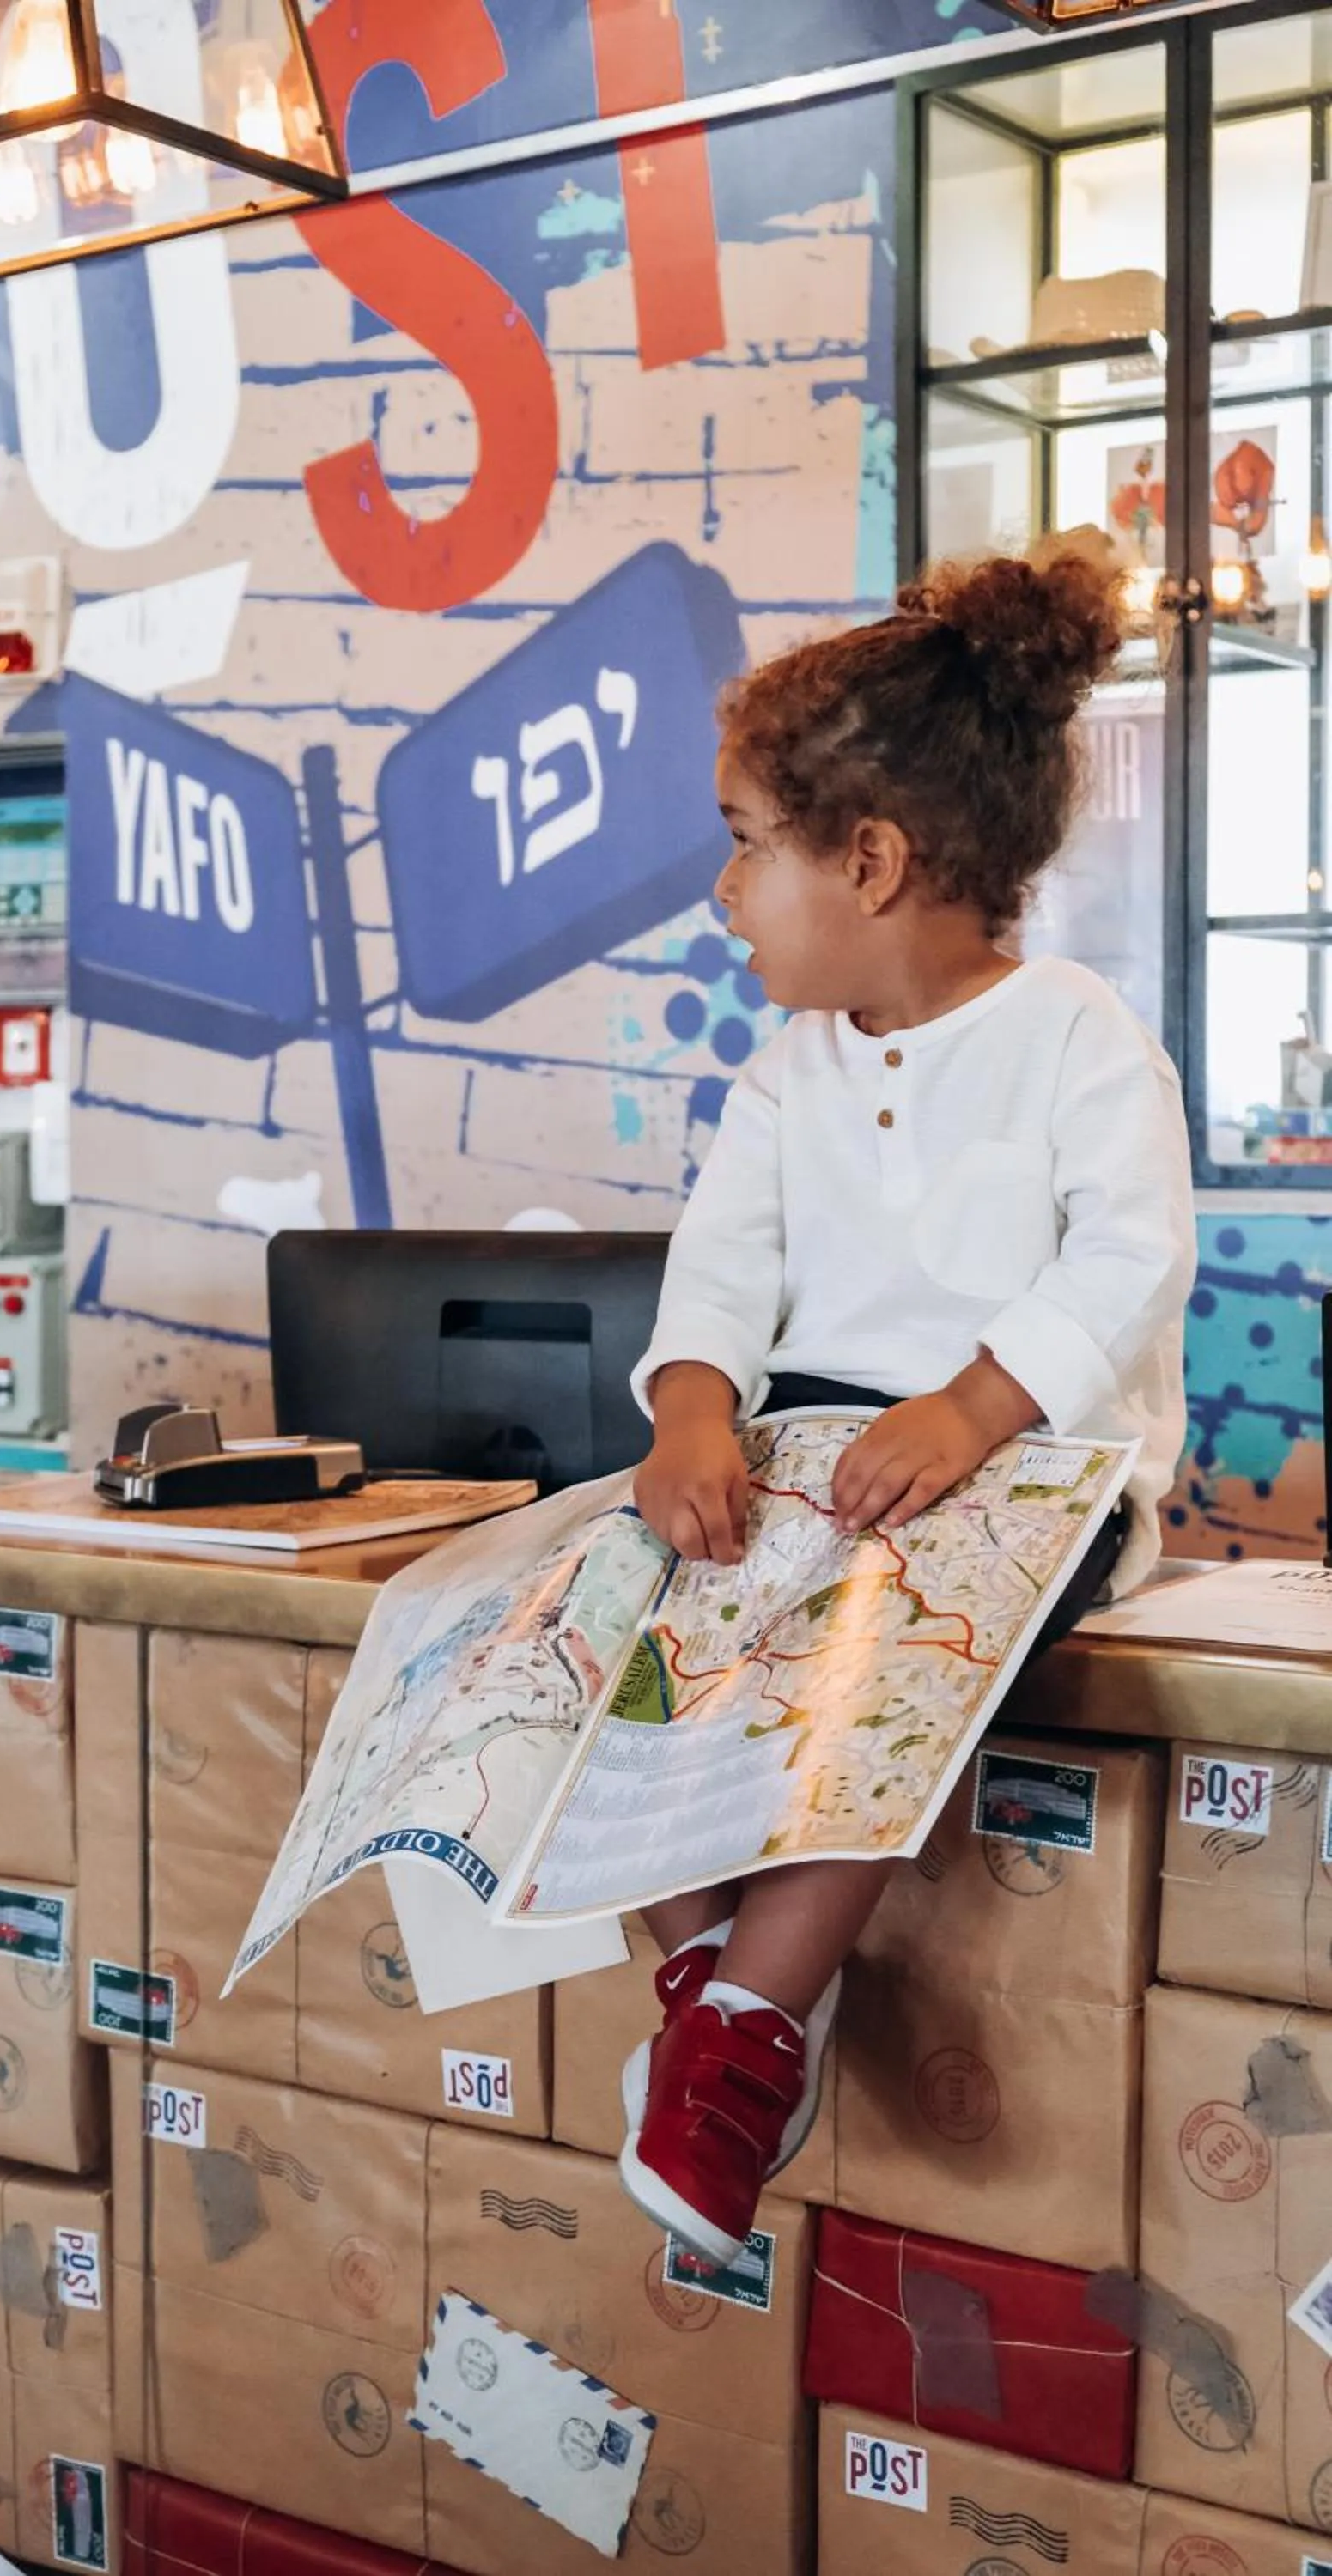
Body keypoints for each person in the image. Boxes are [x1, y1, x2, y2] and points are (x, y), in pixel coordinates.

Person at [619, 538, 1197, 2265]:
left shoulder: (1078, 1038)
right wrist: (691, 1414)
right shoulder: (789, 1074)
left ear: (867, 862)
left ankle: (743, 2034)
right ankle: (698, 1972)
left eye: (743, 848)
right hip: (816, 1449)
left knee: (878, 1664)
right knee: (619, 1611)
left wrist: (971, 1406)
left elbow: (1131, 1257)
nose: (723, 893)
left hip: (1035, 1468)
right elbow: (718, 1268)